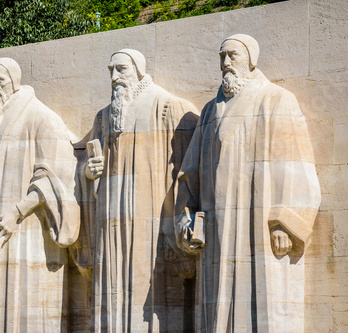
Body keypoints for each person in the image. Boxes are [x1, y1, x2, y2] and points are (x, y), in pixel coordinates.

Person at [176, 34, 321, 332]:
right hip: (215, 229)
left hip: (258, 223)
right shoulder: (208, 112)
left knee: (263, 299)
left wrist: (286, 222)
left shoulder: (276, 100)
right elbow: (189, 173)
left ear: (251, 60)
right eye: (222, 57)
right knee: (215, 305)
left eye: (233, 55)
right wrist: (186, 218)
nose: (226, 63)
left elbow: (295, 164)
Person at [0, 57, 80, 332]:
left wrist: (16, 214)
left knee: (24, 311)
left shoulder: (42, 117)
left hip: (28, 233)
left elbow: (55, 176)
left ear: (14, 81)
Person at [80, 49, 199, 332]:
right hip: (110, 227)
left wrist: (183, 231)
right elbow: (84, 169)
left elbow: (189, 174)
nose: (114, 76)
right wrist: (88, 172)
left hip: (154, 227)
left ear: (139, 70)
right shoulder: (103, 117)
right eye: (111, 70)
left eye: (121, 69)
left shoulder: (168, 106)